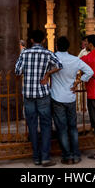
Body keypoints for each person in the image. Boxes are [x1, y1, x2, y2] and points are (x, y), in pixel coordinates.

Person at [15, 29, 63, 167]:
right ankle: (45, 157)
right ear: (43, 40)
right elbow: (59, 65)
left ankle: (36, 157)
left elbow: (17, 71)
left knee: (32, 125)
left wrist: (28, 72)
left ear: (31, 40)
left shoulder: (24, 53)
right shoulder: (47, 53)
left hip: (29, 95)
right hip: (43, 94)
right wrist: (48, 73)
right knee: (46, 125)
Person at [50, 36, 94, 165]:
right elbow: (89, 72)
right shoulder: (75, 60)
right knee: (72, 127)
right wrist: (77, 83)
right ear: (68, 47)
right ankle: (76, 155)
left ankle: (67, 155)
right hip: (70, 97)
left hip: (57, 97)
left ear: (57, 46)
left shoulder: (53, 59)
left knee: (62, 128)